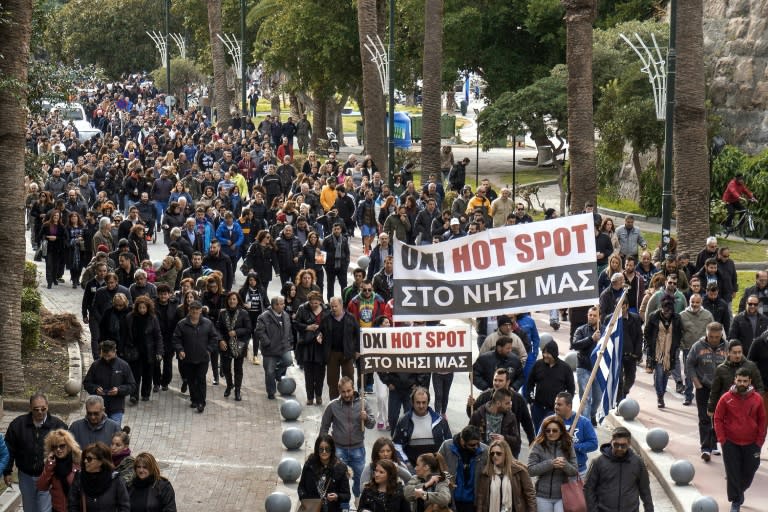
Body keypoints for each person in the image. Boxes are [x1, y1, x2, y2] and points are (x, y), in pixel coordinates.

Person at [3, 393, 68, 512]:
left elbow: (67, 449)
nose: (40, 412)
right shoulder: (18, 425)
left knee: (45, 509)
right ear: (30, 408)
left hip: (48, 475)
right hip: (26, 475)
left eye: (43, 409)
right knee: (29, 508)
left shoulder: (58, 425)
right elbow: (9, 449)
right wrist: (7, 471)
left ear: (48, 406)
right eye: (36, 409)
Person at [713, 368, 766, 512]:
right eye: (739, 380)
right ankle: (735, 501)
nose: (741, 383)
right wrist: (722, 439)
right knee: (733, 473)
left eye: (745, 381)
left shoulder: (757, 399)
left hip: (752, 443)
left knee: (750, 470)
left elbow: (762, 421)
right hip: (730, 442)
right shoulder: (725, 398)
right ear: (735, 380)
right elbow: (717, 418)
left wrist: (759, 442)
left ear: (749, 381)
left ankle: (740, 490)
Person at [320, 377, 375, 501]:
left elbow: (372, 424)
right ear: (339, 391)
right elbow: (324, 427)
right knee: (339, 479)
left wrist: (366, 418)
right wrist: (323, 446)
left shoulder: (363, 404)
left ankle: (357, 497)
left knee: (359, 478)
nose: (346, 394)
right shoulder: (332, 406)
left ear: (353, 389)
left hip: (358, 449)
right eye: (343, 392)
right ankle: (343, 504)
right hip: (339, 449)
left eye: (349, 391)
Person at [584, 426, 654, 512]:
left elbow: (645, 489)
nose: (619, 448)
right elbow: (588, 488)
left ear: (629, 444)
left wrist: (649, 509)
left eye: (623, 445)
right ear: (611, 442)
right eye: (616, 445)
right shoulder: (598, 462)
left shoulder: (638, 463)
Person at [685, 322, 728, 461]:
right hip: (703, 387)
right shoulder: (698, 346)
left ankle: (714, 444)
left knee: (718, 417)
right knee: (704, 418)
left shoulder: (727, 347)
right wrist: (696, 383)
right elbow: (689, 364)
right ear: (706, 334)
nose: (714, 339)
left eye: (717, 337)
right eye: (711, 336)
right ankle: (705, 448)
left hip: (721, 390)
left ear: (721, 334)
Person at [172, 300, 220, 413]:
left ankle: (201, 402)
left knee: (201, 379)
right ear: (189, 310)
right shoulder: (182, 324)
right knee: (191, 380)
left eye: (197, 310)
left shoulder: (207, 323)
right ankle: (194, 399)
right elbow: (176, 339)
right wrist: (180, 350)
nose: (194, 312)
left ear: (200, 311)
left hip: (203, 357)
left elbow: (214, 338)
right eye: (192, 309)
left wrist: (209, 350)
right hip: (187, 358)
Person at [527, 415, 578, 512]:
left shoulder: (568, 445)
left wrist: (565, 465)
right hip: (542, 495)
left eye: (554, 430)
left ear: (561, 431)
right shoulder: (538, 445)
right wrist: (550, 464)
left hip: (563, 495)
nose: (551, 433)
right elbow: (530, 470)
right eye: (547, 430)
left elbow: (574, 471)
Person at [392, 388, 452, 470]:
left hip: (435, 468)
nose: (421, 406)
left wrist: (443, 463)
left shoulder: (440, 421)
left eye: (424, 402)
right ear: (412, 402)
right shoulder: (403, 421)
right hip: (413, 469)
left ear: (428, 402)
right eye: (418, 403)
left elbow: (448, 444)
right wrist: (406, 463)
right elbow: (397, 445)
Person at [83, 340, 137, 426]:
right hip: (98, 408)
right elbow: (87, 383)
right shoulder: (96, 365)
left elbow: (132, 385)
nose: (106, 358)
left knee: (114, 433)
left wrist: (119, 390)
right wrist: (95, 388)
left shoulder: (123, 366)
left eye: (108, 356)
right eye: (104, 356)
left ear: (115, 351)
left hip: (116, 407)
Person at [525, 340, 575, 431]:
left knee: (549, 432)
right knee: (538, 432)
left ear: (554, 354)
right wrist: (531, 400)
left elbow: (571, 389)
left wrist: (565, 405)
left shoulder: (565, 368)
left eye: (548, 353)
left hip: (554, 410)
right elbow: (530, 383)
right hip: (538, 407)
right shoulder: (538, 365)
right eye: (544, 353)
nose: (545, 355)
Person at [476, 439, 536, 512]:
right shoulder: (486, 473)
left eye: (498, 453)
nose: (495, 456)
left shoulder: (520, 471)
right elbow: (480, 499)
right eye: (492, 454)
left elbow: (530, 495)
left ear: (506, 454)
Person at [67, 441, 130, 511]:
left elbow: (124, 506)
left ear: (101, 462)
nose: (85, 461)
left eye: (89, 459)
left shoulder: (115, 479)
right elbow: (72, 504)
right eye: (85, 458)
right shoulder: (80, 477)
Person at [645, 294, 682, 408]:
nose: (667, 313)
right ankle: (660, 396)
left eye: (669, 311)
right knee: (659, 372)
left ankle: (662, 393)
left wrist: (676, 347)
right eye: (665, 310)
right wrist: (649, 346)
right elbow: (647, 332)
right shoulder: (654, 316)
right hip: (657, 350)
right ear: (661, 308)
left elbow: (679, 334)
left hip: (670, 350)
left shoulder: (676, 318)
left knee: (666, 373)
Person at [710, 340, 765, 418]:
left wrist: (755, 403)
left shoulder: (751, 366)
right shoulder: (721, 369)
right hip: (728, 408)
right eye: (734, 352)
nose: (738, 355)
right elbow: (715, 391)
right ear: (728, 353)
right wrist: (711, 409)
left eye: (739, 352)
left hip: (747, 408)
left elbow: (759, 387)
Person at [437, 426, 486, 512]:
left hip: (473, 502)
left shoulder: (485, 450)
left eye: (478, 443)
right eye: (472, 445)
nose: (476, 447)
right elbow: (436, 468)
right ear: (462, 440)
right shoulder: (446, 446)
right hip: (452, 499)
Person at [319, 297, 360, 401]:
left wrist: (357, 350)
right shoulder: (326, 318)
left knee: (349, 378)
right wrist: (319, 335)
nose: (333, 308)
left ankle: (350, 400)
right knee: (332, 381)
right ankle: (334, 402)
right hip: (331, 353)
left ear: (341, 306)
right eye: (331, 306)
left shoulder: (351, 318)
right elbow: (320, 330)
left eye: (335, 306)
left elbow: (358, 335)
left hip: (347, 353)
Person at [676, 293, 714, 404]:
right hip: (688, 348)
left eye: (697, 302)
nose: (695, 304)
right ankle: (688, 396)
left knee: (705, 372)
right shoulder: (682, 315)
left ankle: (704, 396)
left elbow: (713, 330)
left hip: (704, 349)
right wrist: (682, 345)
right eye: (692, 302)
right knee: (689, 373)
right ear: (689, 302)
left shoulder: (707, 315)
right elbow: (678, 332)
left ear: (701, 303)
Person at [254, 296, 294, 399]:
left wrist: (289, 341)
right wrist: (267, 343)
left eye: (283, 303)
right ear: (274, 305)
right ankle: (271, 392)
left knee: (288, 361)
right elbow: (259, 331)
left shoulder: (285, 315)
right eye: (280, 304)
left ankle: (278, 372)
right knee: (269, 372)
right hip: (270, 350)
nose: (283, 306)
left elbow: (289, 329)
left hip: (283, 347)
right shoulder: (264, 317)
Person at [297, 434, 351, 512]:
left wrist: (337, 496)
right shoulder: (310, 464)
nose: (324, 452)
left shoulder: (340, 468)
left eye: (327, 449)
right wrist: (305, 500)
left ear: (332, 449)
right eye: (321, 449)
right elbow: (301, 487)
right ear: (317, 449)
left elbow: (347, 495)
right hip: (311, 508)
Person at [124, 296, 163, 403]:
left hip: (149, 351)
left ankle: (145, 393)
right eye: (140, 307)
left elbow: (158, 336)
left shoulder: (152, 318)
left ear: (148, 308)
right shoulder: (130, 317)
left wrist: (159, 351)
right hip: (134, 350)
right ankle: (134, 395)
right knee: (135, 375)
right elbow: (125, 334)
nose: (142, 310)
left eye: (144, 308)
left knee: (147, 374)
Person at [294, 291, 330, 405]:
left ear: (320, 301)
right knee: (308, 372)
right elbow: (295, 323)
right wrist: (307, 327)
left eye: (316, 302)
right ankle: (310, 397)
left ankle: (318, 395)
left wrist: (322, 333)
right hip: (307, 344)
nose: (314, 305)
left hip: (321, 345)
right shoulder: (302, 309)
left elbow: (329, 326)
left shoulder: (326, 310)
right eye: (312, 302)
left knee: (320, 373)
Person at [553, 392, 598, 478]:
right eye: (555, 404)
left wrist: (573, 446)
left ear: (569, 406)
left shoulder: (583, 422)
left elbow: (593, 444)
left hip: (577, 471)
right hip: (554, 471)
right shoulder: (549, 421)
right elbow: (539, 442)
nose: (556, 407)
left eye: (559, 404)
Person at [217, 292, 252, 401]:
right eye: (230, 299)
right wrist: (221, 340)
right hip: (225, 344)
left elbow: (248, 329)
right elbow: (217, 329)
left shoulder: (243, 313)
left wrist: (236, 332)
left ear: (238, 301)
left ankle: (237, 390)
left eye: (234, 299)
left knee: (238, 368)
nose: (232, 301)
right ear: (227, 301)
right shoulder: (222, 313)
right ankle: (229, 385)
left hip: (239, 344)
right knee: (226, 368)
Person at [36, 429, 81, 512]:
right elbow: (41, 486)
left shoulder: (78, 462)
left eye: (62, 446)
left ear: (69, 445)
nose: (58, 449)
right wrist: (49, 466)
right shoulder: (51, 464)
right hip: (58, 509)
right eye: (54, 447)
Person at [571, 306, 602, 423]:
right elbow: (575, 344)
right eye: (590, 315)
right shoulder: (581, 330)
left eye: (595, 315)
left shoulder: (603, 330)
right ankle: (586, 423)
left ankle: (592, 414)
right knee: (585, 398)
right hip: (584, 367)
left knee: (598, 397)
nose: (592, 317)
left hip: (598, 368)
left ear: (599, 317)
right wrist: (591, 339)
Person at [469, 388, 521, 458]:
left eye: (510, 402)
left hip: (501, 458)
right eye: (507, 403)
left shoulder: (511, 417)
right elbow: (469, 436)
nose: (510, 406)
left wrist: (505, 438)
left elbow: (517, 441)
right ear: (498, 403)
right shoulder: (478, 415)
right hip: (480, 456)